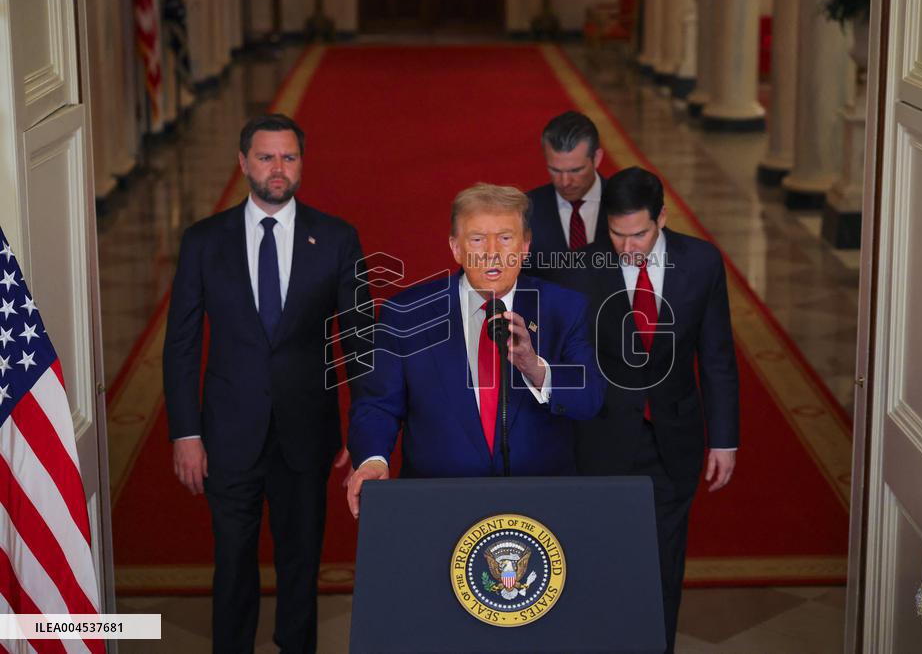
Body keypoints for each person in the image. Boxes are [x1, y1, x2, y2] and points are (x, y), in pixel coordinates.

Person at [163, 114, 372, 654]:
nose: (278, 169)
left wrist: (364, 430)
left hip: (306, 432)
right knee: (233, 560)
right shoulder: (204, 241)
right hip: (228, 433)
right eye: (265, 157)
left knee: (301, 561)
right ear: (242, 163)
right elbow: (182, 343)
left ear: (301, 163)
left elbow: (360, 342)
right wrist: (185, 433)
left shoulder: (337, 238)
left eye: (288, 157)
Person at [345, 183, 606, 515]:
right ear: (456, 248)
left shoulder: (564, 308)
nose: (492, 252)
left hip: (540, 508)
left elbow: (590, 399)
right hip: (437, 506)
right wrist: (372, 459)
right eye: (478, 239)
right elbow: (378, 404)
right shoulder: (406, 313)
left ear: (526, 246)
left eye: (506, 238)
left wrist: (535, 367)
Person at [568, 167, 739, 653]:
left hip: (673, 439)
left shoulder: (702, 262)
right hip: (600, 438)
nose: (627, 247)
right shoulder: (580, 267)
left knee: (663, 566)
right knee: (599, 564)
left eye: (639, 234)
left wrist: (724, 439)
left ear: (661, 218)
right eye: (616, 234)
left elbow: (717, 356)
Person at [522, 111, 608, 280]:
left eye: (576, 170)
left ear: (597, 158)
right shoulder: (526, 210)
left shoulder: (628, 204)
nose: (565, 182)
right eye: (555, 170)